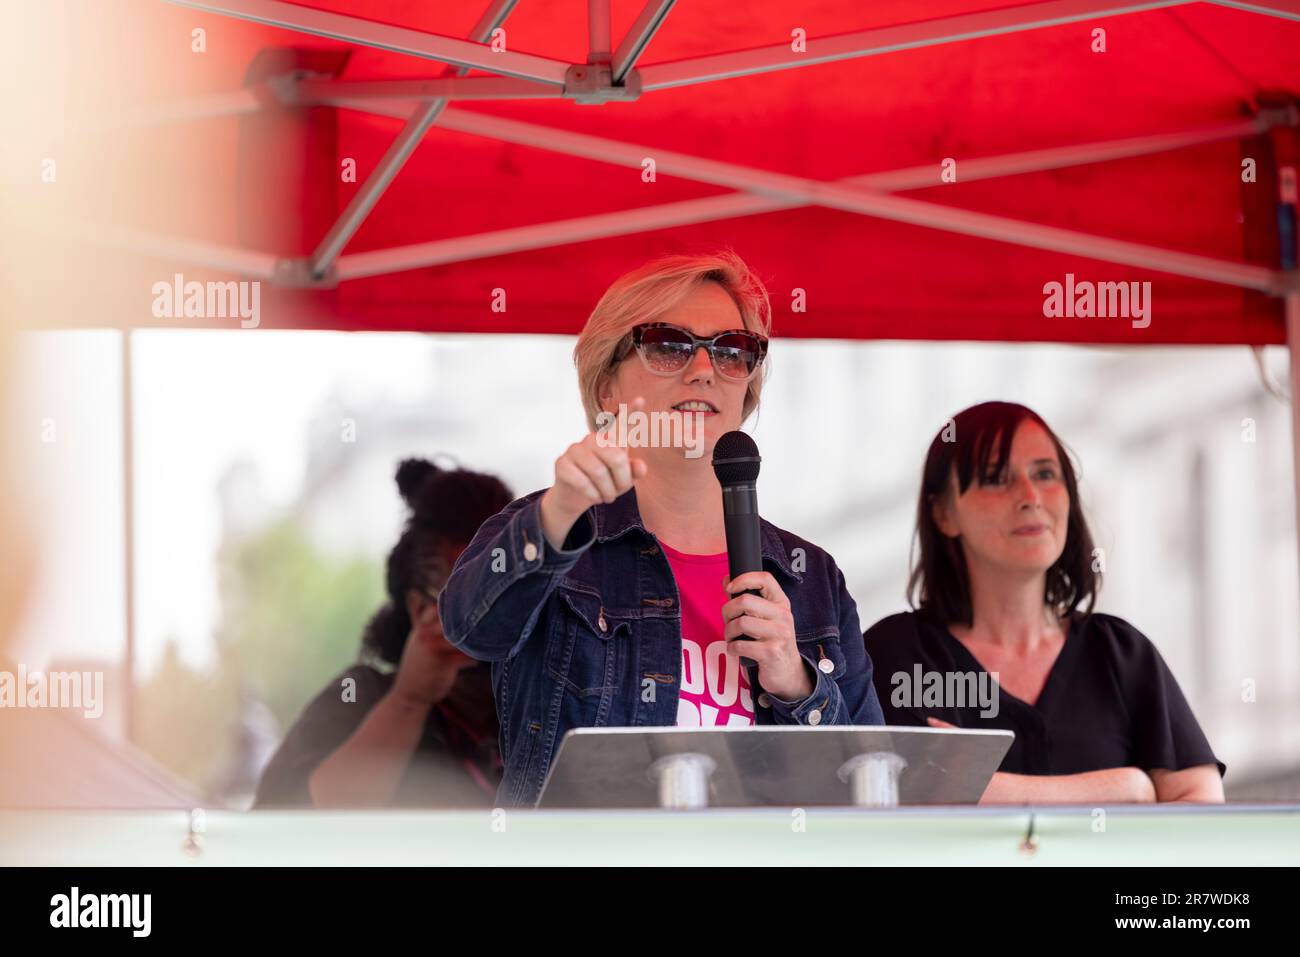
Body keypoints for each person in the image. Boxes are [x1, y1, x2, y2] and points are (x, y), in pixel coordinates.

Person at [439, 250, 885, 809]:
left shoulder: (811, 577)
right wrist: (559, 514)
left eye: (732, 351)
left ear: (746, 390)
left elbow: (871, 791)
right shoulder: (555, 528)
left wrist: (796, 683)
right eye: (669, 345)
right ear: (608, 389)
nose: (704, 369)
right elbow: (470, 627)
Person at [863, 401, 1225, 804]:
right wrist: (1128, 789)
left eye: (1046, 474)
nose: (1030, 496)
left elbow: (1202, 810)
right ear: (944, 513)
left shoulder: (1121, 655)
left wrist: (980, 786)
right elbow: (895, 797)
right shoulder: (896, 655)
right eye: (995, 478)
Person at [254, 458, 513, 808]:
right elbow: (290, 822)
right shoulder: (361, 698)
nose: (498, 612)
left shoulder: (545, 703)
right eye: (472, 596)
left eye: (513, 588)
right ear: (420, 609)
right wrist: (409, 700)